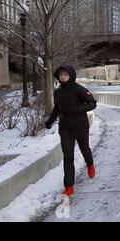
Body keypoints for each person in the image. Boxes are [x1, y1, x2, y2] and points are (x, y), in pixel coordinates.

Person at [45, 64, 97, 197]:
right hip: (65, 127)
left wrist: (77, 109)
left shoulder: (79, 89)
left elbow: (92, 103)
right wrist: (50, 121)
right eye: (61, 75)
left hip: (80, 125)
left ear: (71, 75)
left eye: (65, 74)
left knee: (84, 149)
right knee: (68, 157)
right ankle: (69, 186)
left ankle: (90, 164)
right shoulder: (58, 92)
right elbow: (57, 109)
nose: (63, 77)